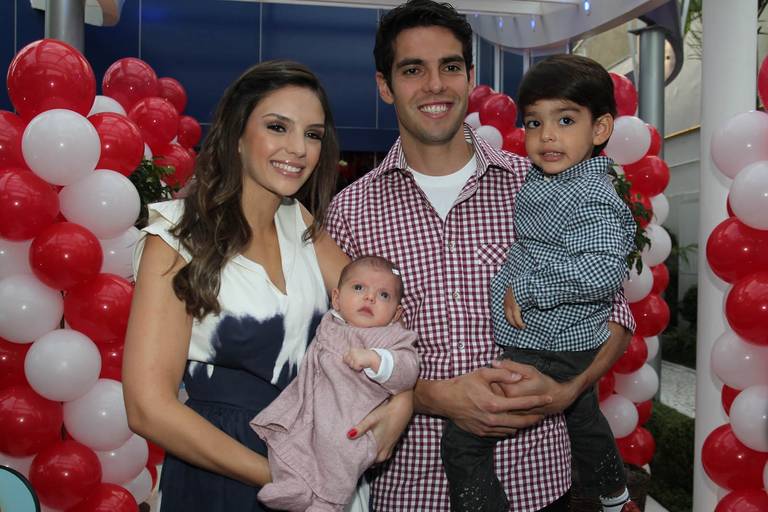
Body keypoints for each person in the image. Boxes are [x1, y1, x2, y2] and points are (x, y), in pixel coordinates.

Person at [324, 1, 636, 510]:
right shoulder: (351, 212)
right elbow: (335, 357)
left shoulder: (539, 183)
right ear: (385, 86)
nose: (435, 85)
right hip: (409, 489)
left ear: (470, 76)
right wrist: (432, 396)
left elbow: (615, 310)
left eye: (449, 66)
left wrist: (568, 388)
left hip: (538, 481)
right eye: (412, 70)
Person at [122, 60, 412, 512]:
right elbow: (148, 408)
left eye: (313, 134)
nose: (298, 148)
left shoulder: (301, 224)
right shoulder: (175, 240)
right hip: (222, 471)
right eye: (278, 127)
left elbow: (382, 315)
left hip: (316, 461)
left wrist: (403, 397)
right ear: (237, 135)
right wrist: (285, 477)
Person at [440, 54, 640, 512]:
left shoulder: (593, 193)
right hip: (552, 337)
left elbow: (603, 272)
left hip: (552, 342)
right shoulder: (546, 179)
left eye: (565, 120)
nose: (547, 135)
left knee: (463, 441)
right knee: (583, 413)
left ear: (601, 129)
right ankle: (613, 492)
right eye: (534, 123)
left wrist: (529, 289)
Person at [251, 255, 420, 511]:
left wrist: (376, 359)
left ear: (397, 313)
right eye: (359, 288)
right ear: (337, 299)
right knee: (287, 435)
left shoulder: (391, 336)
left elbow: (408, 369)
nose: (370, 298)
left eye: (384, 295)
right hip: (308, 404)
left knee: (339, 450)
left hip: (349, 417)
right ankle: (293, 483)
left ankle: (329, 503)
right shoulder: (331, 320)